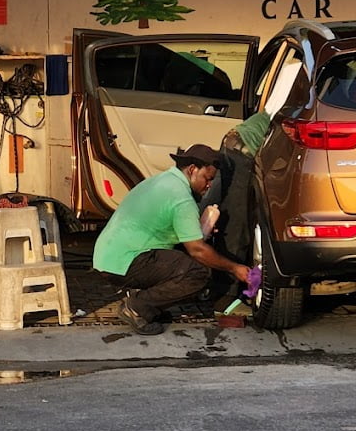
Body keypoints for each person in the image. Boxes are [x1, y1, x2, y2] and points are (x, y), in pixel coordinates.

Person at [92, 143, 259, 336]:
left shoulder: (163, 180)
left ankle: (149, 305)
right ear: (192, 169)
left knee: (182, 260)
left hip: (108, 258)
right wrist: (234, 267)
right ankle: (138, 307)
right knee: (198, 273)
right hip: (124, 262)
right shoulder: (181, 198)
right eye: (208, 178)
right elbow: (197, 250)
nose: (209, 185)